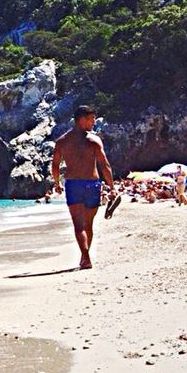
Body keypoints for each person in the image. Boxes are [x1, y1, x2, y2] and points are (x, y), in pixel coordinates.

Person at [51, 104, 115, 270]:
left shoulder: (62, 141)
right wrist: (111, 186)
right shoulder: (94, 141)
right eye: (91, 118)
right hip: (91, 184)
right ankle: (85, 256)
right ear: (81, 120)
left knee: (79, 226)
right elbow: (104, 165)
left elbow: (55, 165)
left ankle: (85, 256)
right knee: (87, 225)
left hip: (73, 185)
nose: (94, 121)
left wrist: (57, 183)